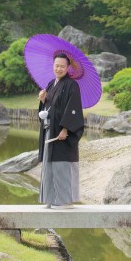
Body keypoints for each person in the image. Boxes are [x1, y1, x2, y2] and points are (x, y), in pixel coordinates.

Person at [37, 52, 84, 209]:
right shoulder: (51, 84)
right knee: (49, 165)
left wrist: (66, 129)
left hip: (61, 134)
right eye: (56, 66)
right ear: (53, 66)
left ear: (68, 67)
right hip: (50, 131)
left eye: (62, 66)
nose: (59, 69)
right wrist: (43, 100)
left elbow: (73, 109)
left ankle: (64, 201)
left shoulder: (71, 85)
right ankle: (51, 199)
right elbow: (49, 108)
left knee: (62, 166)